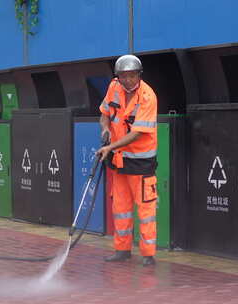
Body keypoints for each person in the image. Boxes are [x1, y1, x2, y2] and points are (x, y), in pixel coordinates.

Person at [97, 54, 158, 267]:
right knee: (120, 208)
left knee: (146, 209)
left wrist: (110, 147)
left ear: (139, 75)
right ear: (118, 76)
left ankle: (148, 254)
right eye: (124, 76)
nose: (128, 80)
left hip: (141, 164)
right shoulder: (113, 87)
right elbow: (104, 113)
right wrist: (105, 129)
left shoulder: (148, 96)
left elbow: (137, 133)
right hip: (119, 162)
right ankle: (122, 250)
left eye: (132, 75)